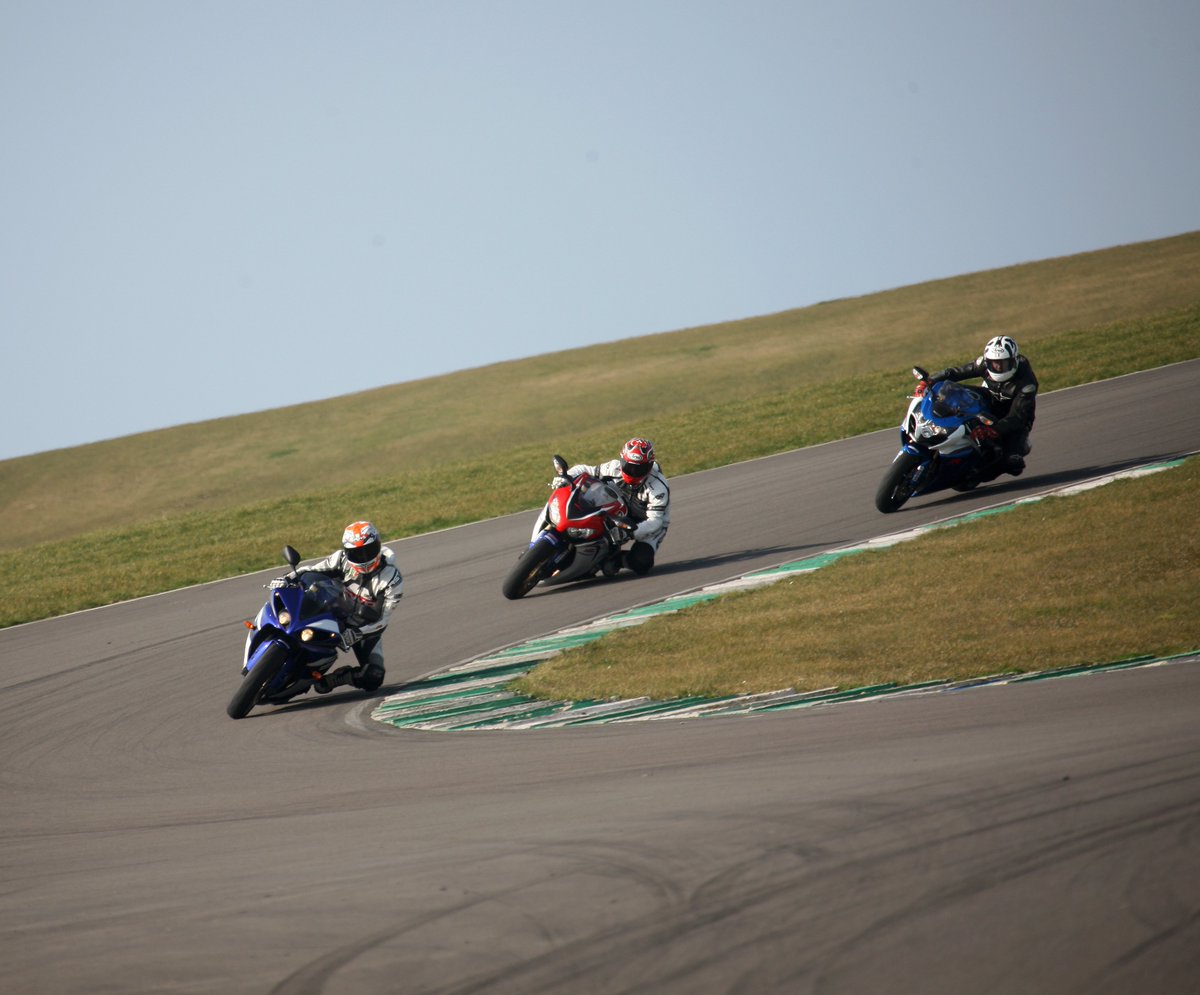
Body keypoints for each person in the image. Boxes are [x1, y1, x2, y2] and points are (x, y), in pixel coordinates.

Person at [300, 521, 403, 693]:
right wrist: (288, 577)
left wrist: (358, 632)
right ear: (347, 552)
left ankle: (341, 677)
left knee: (374, 676)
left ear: (378, 546)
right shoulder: (341, 559)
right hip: (331, 611)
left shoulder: (392, 579)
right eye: (356, 553)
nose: (363, 558)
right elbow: (311, 571)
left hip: (363, 628)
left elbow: (383, 619)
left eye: (368, 551)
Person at [555, 437, 671, 576]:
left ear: (650, 466)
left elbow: (655, 522)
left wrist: (629, 533)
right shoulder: (614, 467)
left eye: (639, 468)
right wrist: (566, 477)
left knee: (641, 562)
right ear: (622, 460)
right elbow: (585, 470)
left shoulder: (658, 487)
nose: (633, 472)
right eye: (629, 466)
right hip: (616, 509)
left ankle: (615, 560)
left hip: (645, 522)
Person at [925, 335, 1039, 476]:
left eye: (1003, 363)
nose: (997, 367)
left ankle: (979, 468)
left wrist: (994, 430)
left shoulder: (1027, 384)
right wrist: (930, 381)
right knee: (951, 390)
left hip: (1014, 417)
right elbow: (954, 373)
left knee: (1013, 464)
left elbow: (1017, 417)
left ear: (1014, 361)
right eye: (993, 363)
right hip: (991, 398)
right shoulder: (983, 364)